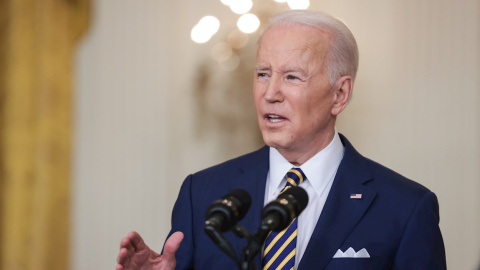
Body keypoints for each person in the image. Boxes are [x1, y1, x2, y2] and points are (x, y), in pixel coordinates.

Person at [116, 9, 446, 270]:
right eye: (262, 74)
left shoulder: (406, 208)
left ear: (339, 94)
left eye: (291, 77)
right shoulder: (201, 194)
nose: (270, 93)